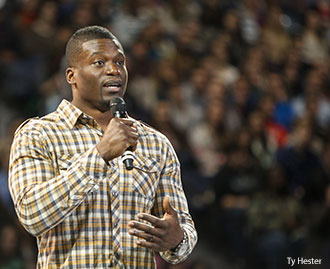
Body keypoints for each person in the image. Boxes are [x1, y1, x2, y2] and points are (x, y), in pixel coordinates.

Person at [8, 25, 197, 268]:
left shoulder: (156, 143)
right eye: (99, 63)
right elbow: (32, 216)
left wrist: (177, 239)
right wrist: (99, 155)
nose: (113, 70)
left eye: (120, 62)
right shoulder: (39, 134)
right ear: (71, 76)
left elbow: (184, 229)